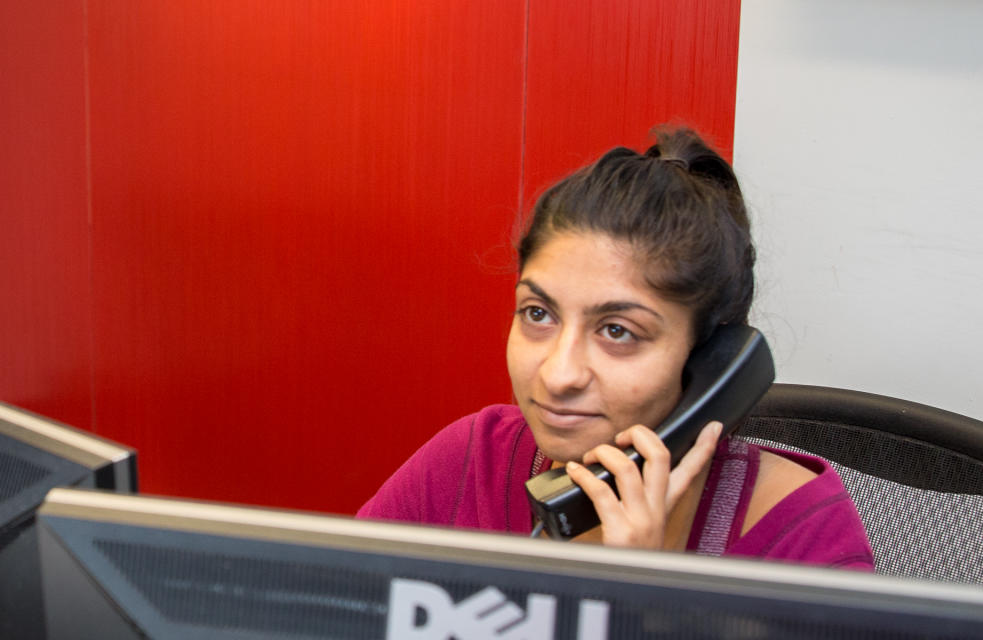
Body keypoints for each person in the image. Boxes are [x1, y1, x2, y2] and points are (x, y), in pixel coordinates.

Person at [358, 128, 872, 569]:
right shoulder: (471, 463)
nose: (558, 376)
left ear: (705, 361)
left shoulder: (805, 539)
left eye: (618, 331)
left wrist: (638, 603)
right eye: (539, 314)